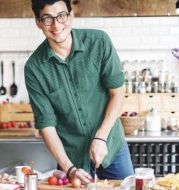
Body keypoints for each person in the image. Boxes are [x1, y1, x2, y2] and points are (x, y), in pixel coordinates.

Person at [24, 0, 134, 184]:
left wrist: (101, 137)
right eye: (47, 18)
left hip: (112, 146)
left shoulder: (99, 42)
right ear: (38, 22)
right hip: (71, 157)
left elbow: (118, 93)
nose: (57, 25)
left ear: (71, 15)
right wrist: (69, 168)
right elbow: (46, 125)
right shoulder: (34, 68)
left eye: (61, 16)